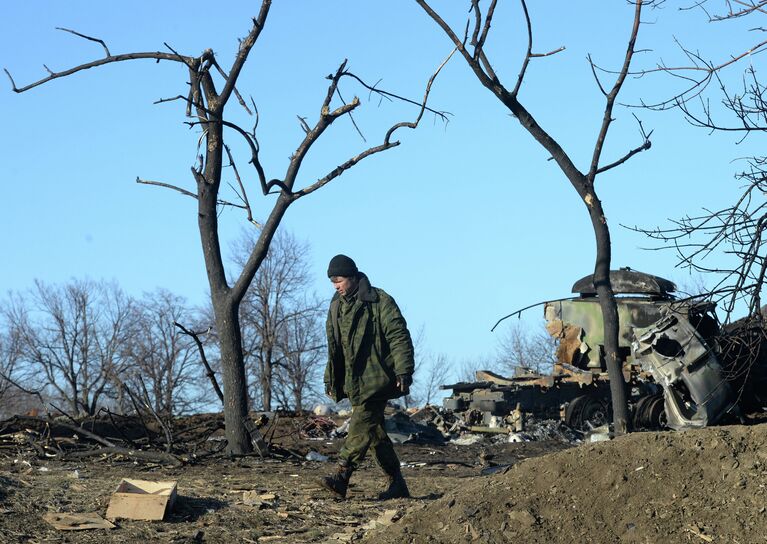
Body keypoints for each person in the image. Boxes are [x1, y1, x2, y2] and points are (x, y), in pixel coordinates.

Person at [319, 254, 415, 500]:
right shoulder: (336, 307)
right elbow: (335, 348)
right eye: (332, 281)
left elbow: (398, 335)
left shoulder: (379, 301)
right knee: (375, 435)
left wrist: (404, 370)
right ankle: (397, 485)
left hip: (378, 378)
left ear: (352, 277)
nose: (335, 285)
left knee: (361, 424)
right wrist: (331, 379)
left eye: (338, 280)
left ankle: (342, 475)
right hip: (354, 380)